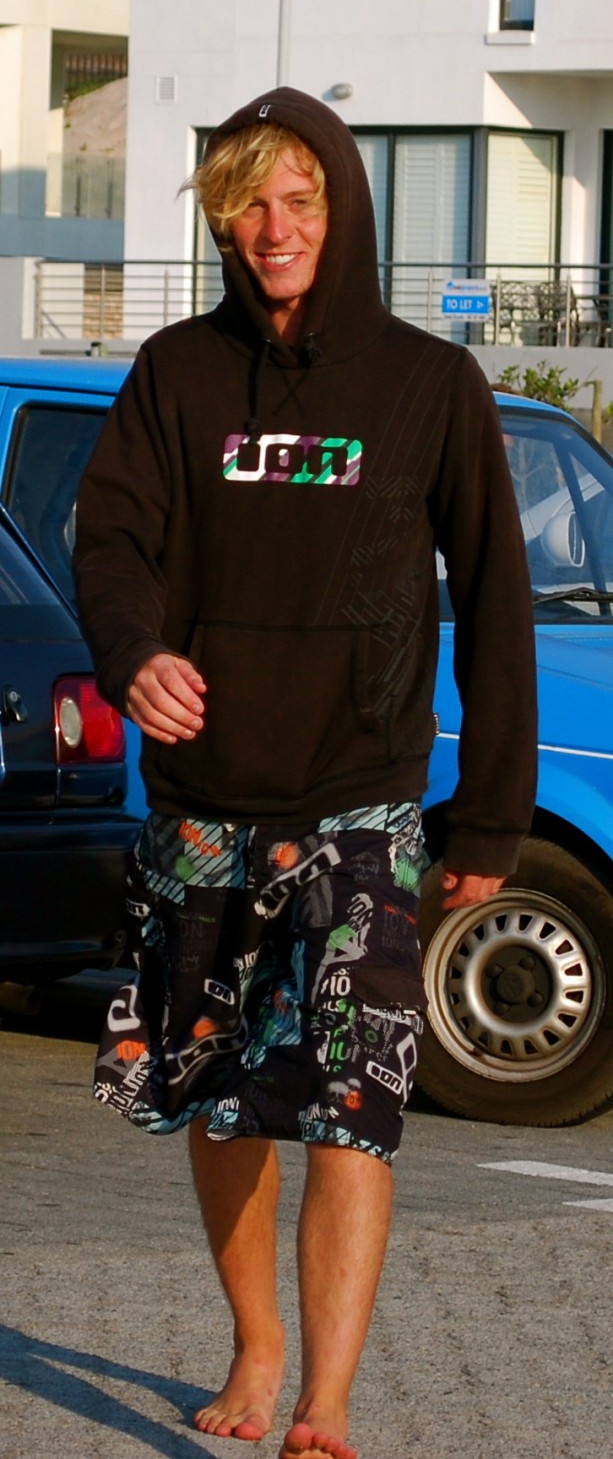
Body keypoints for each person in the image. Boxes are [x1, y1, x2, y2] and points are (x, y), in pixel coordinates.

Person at [73, 87, 537, 1459]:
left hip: (362, 804)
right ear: (223, 224)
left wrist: (491, 816)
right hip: (204, 803)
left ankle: (326, 1404)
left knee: (353, 1107)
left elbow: (495, 596)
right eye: (248, 208)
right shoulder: (176, 374)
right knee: (218, 1100)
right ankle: (257, 1342)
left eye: (299, 202)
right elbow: (111, 537)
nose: (274, 230)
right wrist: (132, 653)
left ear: (341, 211)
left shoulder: (428, 384)